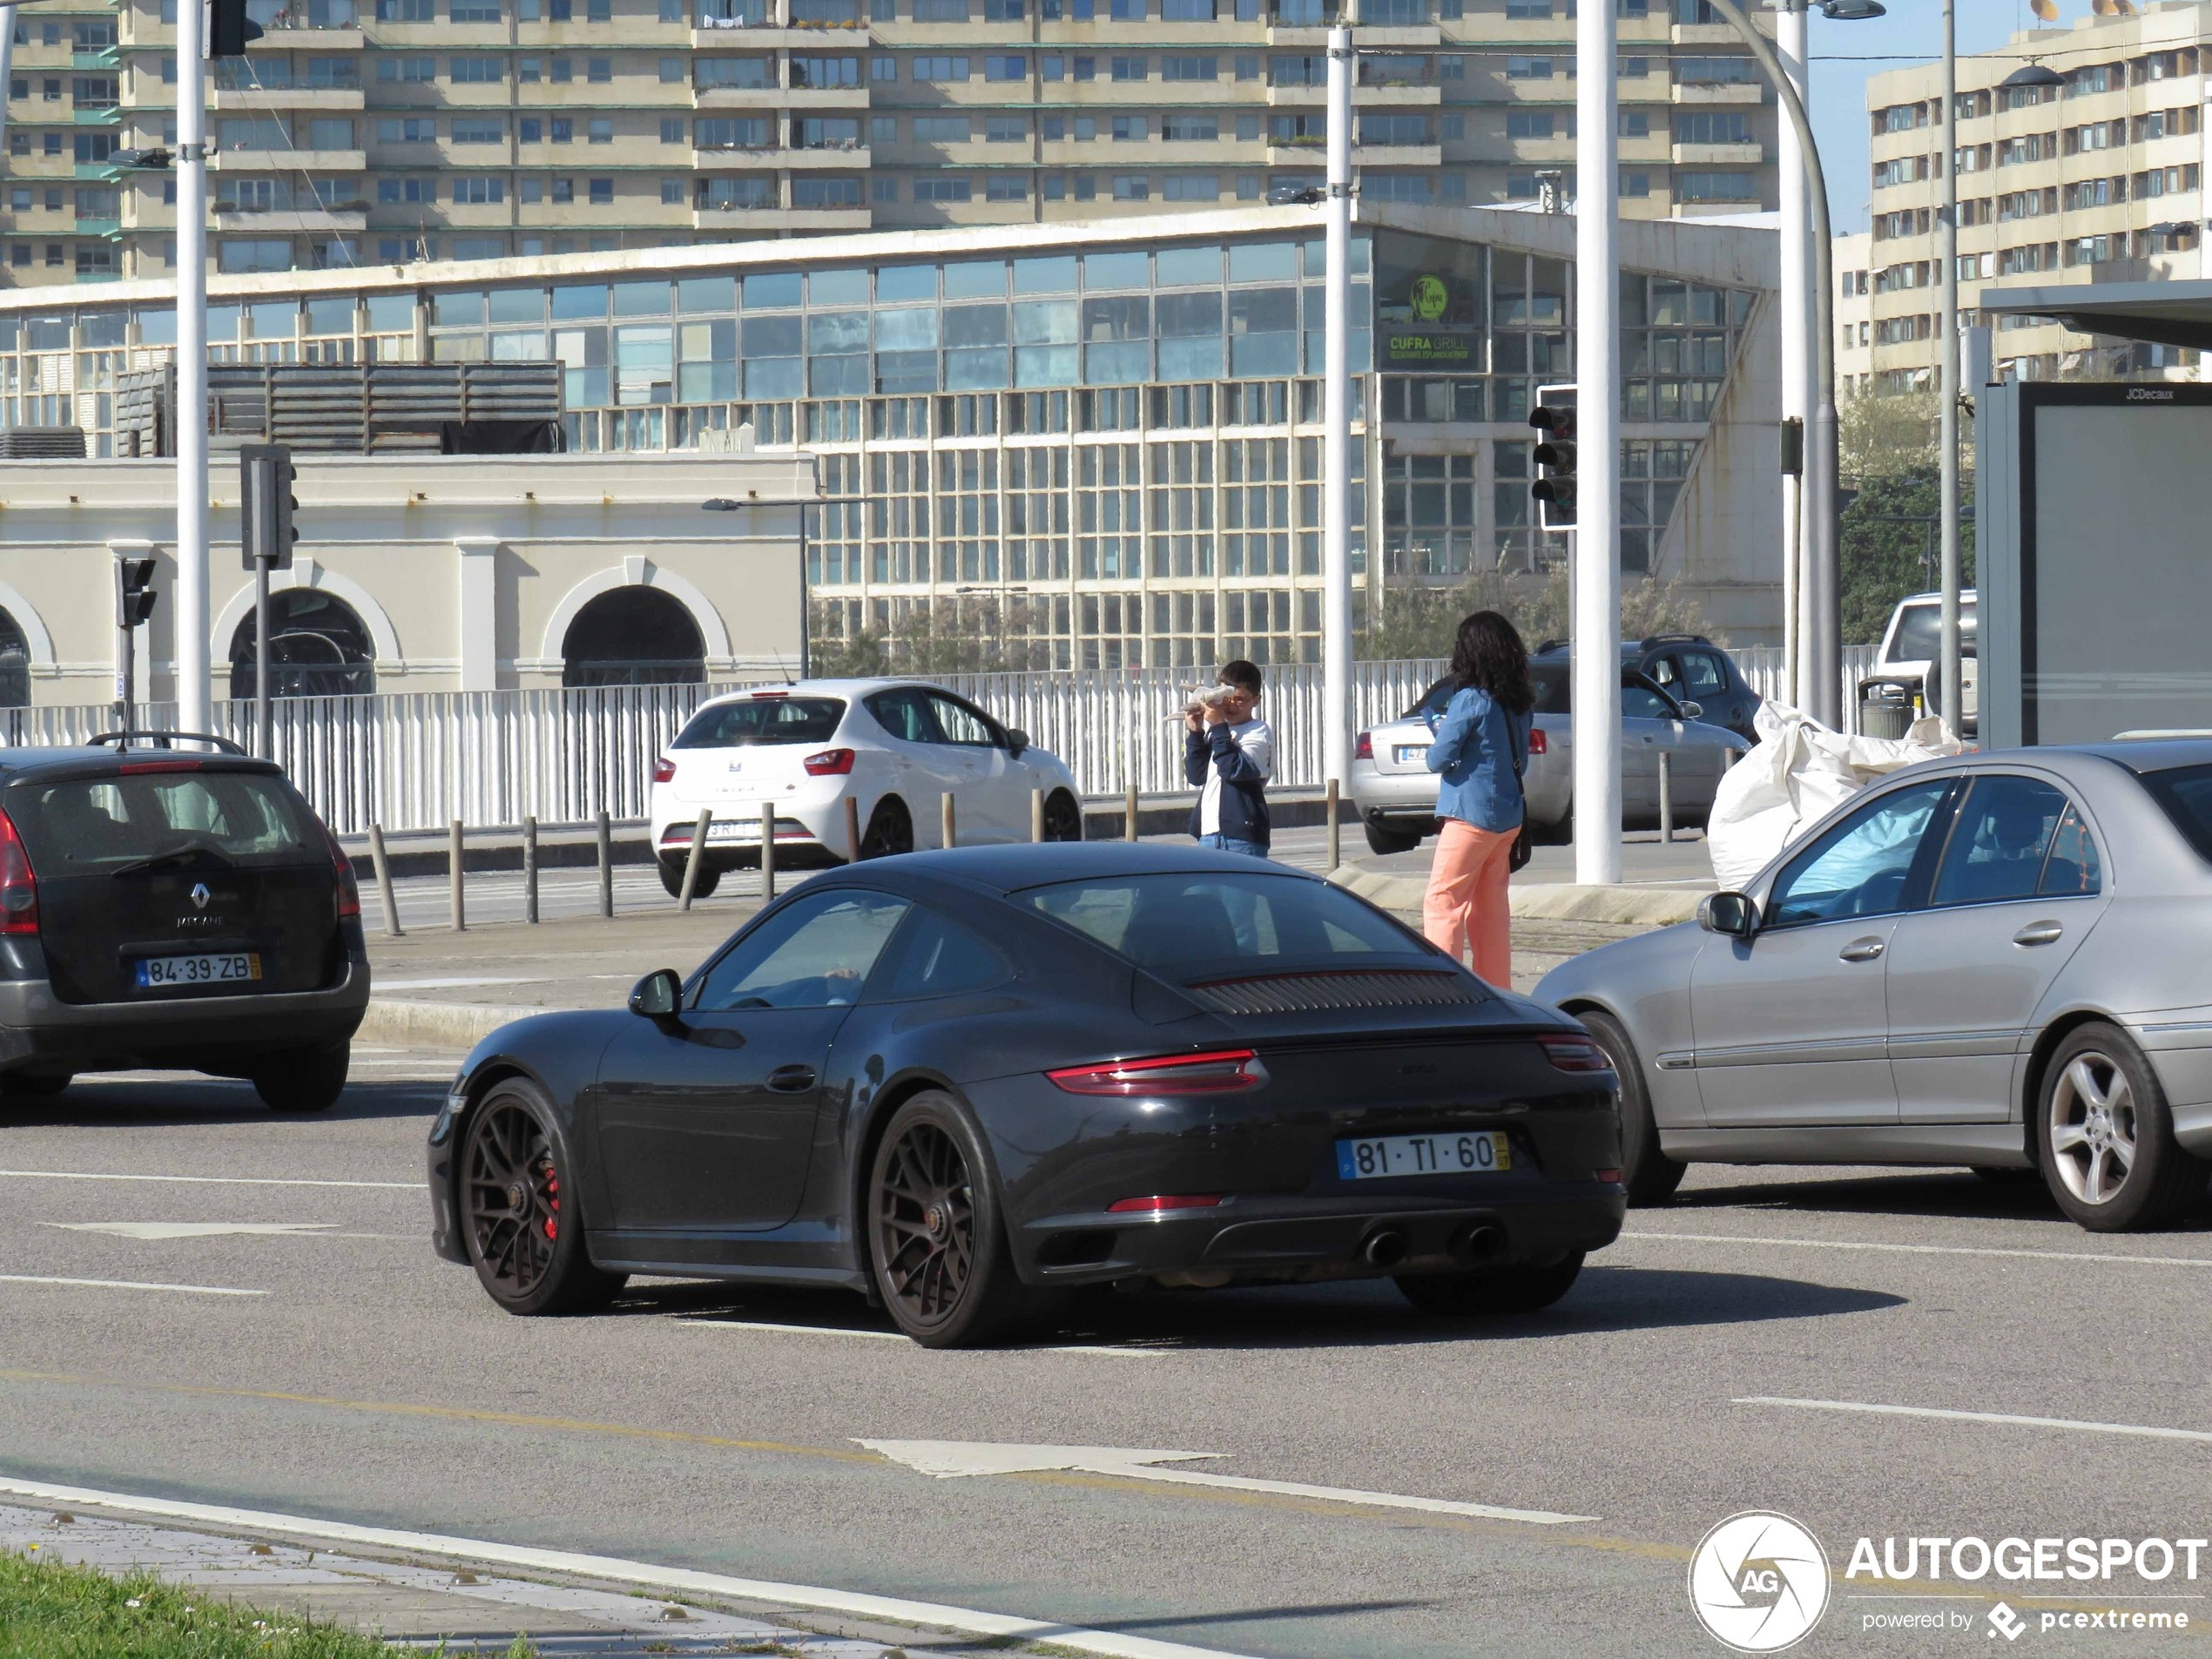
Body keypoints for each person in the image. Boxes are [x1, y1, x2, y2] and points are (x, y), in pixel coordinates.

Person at [1421, 611, 1535, 986]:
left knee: (1444, 903)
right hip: (1507, 818)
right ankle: (1498, 992)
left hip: (1469, 817)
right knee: (1490, 911)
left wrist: (1440, 733)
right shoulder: (1517, 703)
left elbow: (1437, 759)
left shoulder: (1470, 699)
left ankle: (1443, 993)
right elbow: (1522, 759)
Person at [1184, 659, 1272, 858]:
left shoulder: (1257, 732)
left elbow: (1233, 770)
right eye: (1226, 697)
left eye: (1240, 699)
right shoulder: (1218, 731)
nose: (1231, 705)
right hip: (1208, 836)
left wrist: (1217, 727)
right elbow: (1196, 776)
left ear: (1256, 700)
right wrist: (1196, 733)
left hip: (1241, 839)